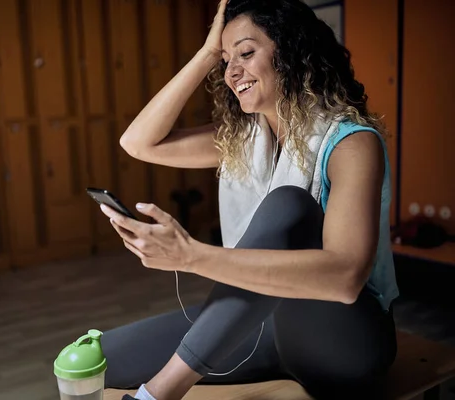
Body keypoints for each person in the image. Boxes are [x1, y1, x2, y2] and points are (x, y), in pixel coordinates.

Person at [97, 0, 399, 399]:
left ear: (291, 52)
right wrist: (207, 54)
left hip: (345, 341)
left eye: (246, 52)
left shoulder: (351, 144)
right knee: (102, 357)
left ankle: (158, 394)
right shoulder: (240, 143)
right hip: (268, 329)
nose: (232, 71)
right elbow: (137, 142)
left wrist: (192, 256)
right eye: (226, 60)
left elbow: (344, 280)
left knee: (288, 204)